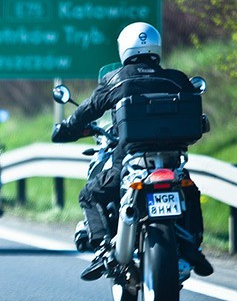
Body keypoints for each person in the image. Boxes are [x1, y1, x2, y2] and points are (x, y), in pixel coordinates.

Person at [51, 21, 213, 279]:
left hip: (130, 158)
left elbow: (86, 111)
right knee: (189, 191)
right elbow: (199, 118)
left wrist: (65, 128)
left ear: (124, 49)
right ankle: (193, 245)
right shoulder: (176, 79)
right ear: (156, 47)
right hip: (171, 160)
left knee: (91, 194)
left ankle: (103, 247)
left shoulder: (115, 80)